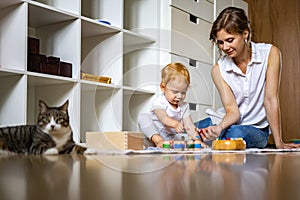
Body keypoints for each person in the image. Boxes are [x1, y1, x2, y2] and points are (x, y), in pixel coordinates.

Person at [198, 6, 300, 149]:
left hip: (256, 130)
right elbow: (233, 112)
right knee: (194, 128)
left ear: (245, 33)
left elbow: (270, 100)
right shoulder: (218, 69)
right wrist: (219, 127)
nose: (225, 47)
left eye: (230, 40)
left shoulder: (270, 54)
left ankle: (208, 142)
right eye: (220, 42)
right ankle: (207, 140)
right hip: (228, 121)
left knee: (235, 133)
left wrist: (279, 142)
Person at [138, 63, 205, 148]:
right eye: (175, 92)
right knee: (143, 117)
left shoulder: (184, 106)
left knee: (187, 139)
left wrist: (197, 140)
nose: (180, 96)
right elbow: (163, 118)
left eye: (183, 92)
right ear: (163, 87)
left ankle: (168, 145)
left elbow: (189, 126)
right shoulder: (160, 101)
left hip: (171, 138)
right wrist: (175, 124)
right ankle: (159, 141)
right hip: (154, 135)